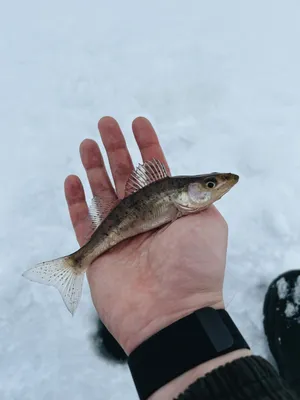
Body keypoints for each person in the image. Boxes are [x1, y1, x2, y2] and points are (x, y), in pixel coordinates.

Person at [64, 116, 300, 399]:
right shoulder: (173, 199)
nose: (217, 188)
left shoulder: (181, 206)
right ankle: (75, 264)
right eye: (211, 185)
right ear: (186, 192)